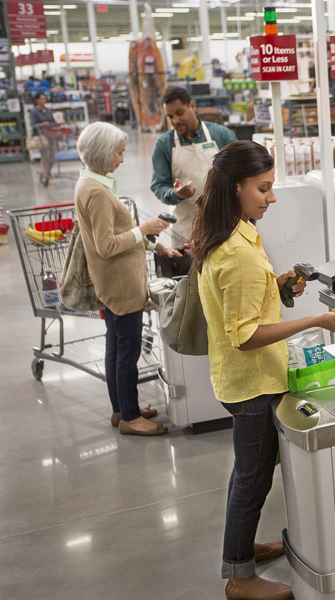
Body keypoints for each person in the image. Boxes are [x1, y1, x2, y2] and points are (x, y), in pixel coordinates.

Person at [191, 141, 335, 600]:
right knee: (252, 477)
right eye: (264, 189)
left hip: (238, 377)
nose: (272, 197)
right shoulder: (239, 252)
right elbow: (246, 335)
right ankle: (239, 577)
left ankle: (240, 549)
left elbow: (241, 304)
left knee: (250, 473)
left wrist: (279, 286)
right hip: (251, 384)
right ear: (237, 186)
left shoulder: (229, 230)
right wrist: (319, 319)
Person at [74, 122, 182, 436]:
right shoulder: (95, 192)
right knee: (128, 353)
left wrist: (155, 244)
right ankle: (131, 418)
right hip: (121, 286)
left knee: (116, 347)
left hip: (114, 283)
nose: (122, 159)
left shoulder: (91, 184)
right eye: (119, 153)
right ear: (102, 153)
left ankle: (121, 408)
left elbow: (120, 235)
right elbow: (106, 246)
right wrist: (145, 229)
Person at [151, 87, 237, 238]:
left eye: (180, 113)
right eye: (170, 117)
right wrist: (175, 194)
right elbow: (159, 185)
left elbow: (241, 175)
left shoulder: (221, 135)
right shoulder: (164, 145)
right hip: (187, 226)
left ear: (192, 105)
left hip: (224, 221)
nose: (176, 121)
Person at [30, 92, 57, 187]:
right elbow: (33, 124)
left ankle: (42, 172)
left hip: (51, 135)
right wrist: (42, 124)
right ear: (36, 100)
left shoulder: (48, 110)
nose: (43, 101)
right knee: (45, 156)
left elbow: (53, 121)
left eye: (44, 99)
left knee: (52, 157)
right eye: (41, 99)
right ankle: (46, 177)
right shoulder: (34, 111)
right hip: (41, 135)